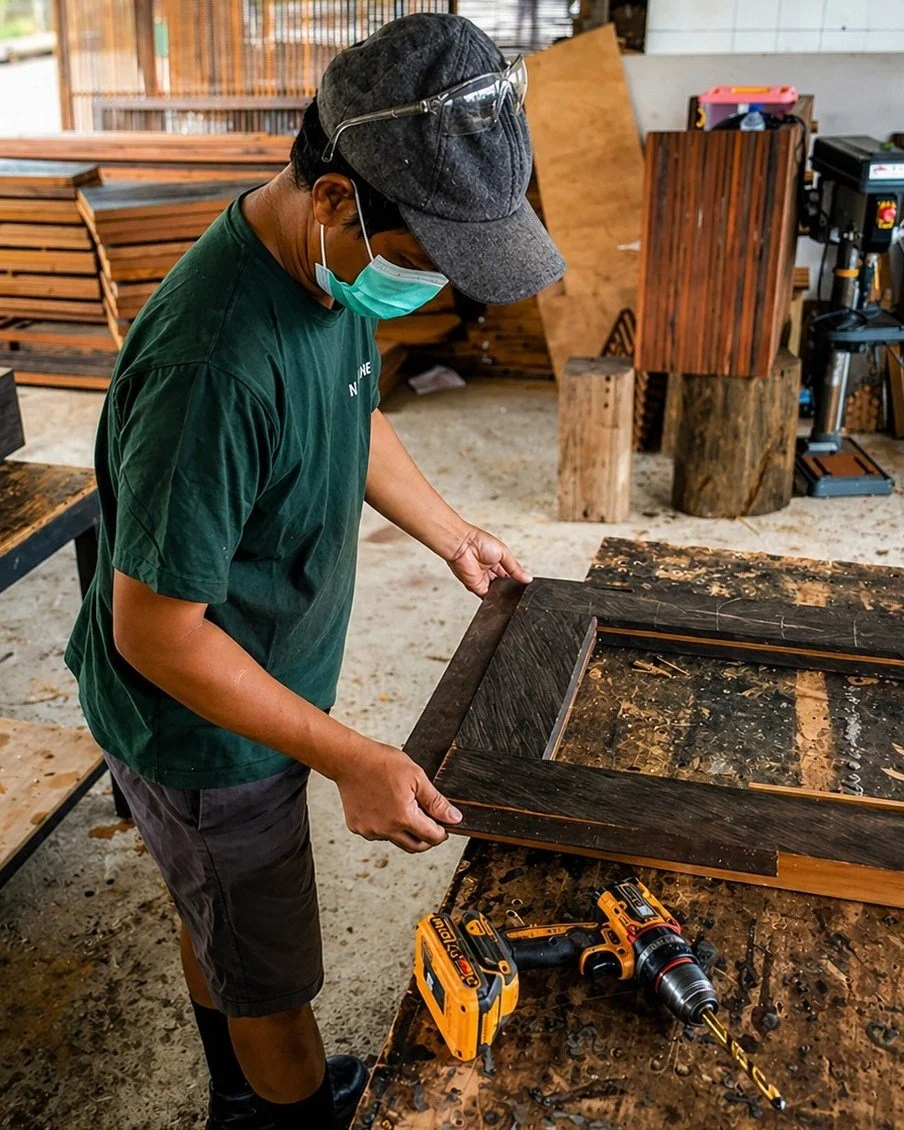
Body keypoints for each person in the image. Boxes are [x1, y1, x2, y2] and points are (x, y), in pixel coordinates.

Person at [66, 12, 565, 1130]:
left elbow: (353, 413)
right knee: (277, 980)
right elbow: (156, 631)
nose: (429, 288)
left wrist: (450, 531)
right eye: (420, 258)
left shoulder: (322, 268)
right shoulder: (216, 363)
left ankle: (238, 1087)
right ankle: (279, 1103)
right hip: (203, 731)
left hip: (257, 682)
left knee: (228, 931)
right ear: (338, 198)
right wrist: (352, 757)